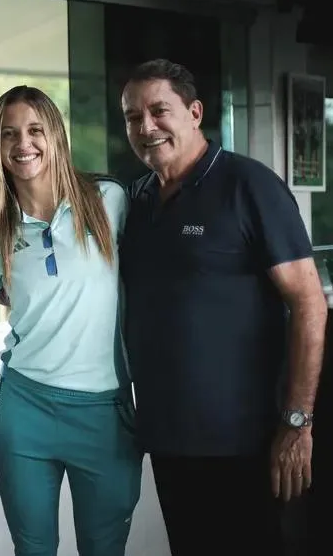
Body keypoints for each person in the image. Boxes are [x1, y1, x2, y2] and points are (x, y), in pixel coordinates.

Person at [120, 59, 328, 556]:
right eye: (132, 117)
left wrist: (297, 422)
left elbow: (309, 303)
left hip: (248, 440)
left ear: (195, 112)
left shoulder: (248, 185)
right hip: (170, 437)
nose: (145, 127)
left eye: (158, 110)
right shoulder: (139, 199)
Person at [0, 85, 141, 556]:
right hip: (25, 410)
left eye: (35, 130)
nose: (23, 144)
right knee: (33, 549)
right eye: (9, 134)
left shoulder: (109, 200)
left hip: (104, 414)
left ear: (55, 136)